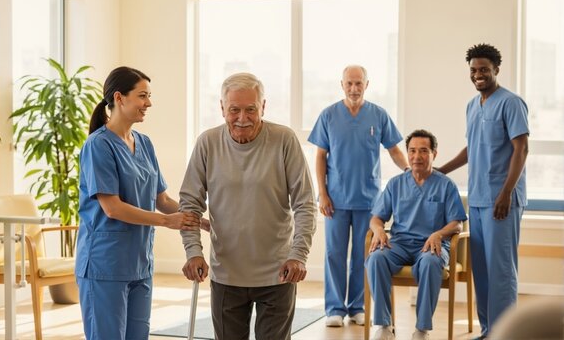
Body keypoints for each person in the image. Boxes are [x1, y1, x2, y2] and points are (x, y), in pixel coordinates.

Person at [179, 72, 317, 340]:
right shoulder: (207, 143)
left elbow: (305, 204)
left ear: (263, 107)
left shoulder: (285, 140)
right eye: (234, 110)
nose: (242, 118)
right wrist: (193, 251)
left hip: (278, 273)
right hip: (226, 274)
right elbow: (190, 205)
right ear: (222, 109)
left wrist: (298, 254)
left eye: (251, 109)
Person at [75, 66, 200, 340]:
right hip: (104, 265)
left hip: (139, 263)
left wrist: (200, 220)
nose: (149, 103)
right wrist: (168, 222)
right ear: (119, 98)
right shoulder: (98, 146)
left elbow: (163, 200)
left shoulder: (144, 143)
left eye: (149, 96)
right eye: (143, 96)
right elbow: (113, 207)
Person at [438, 43, 529, 339]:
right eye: (474, 70)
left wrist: (506, 193)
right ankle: (489, 329)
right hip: (477, 199)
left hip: (501, 201)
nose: (478, 75)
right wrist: (441, 171)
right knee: (483, 270)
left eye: (484, 70)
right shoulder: (471, 106)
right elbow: (472, 148)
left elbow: (522, 148)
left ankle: (506, 333)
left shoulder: (511, 103)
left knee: (501, 270)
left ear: (496, 70)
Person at [308, 65, 409, 327]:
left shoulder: (378, 115)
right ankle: (334, 308)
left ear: (367, 84)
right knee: (335, 254)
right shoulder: (329, 115)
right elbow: (320, 156)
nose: (354, 88)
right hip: (336, 200)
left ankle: (357, 307)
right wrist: (323, 193)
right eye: (349, 83)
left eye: (359, 83)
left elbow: (394, 150)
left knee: (364, 255)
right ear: (341, 85)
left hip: (369, 200)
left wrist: (410, 170)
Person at [366, 129, 468, 340]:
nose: (416, 156)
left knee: (431, 263)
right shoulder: (396, 184)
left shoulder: (445, 185)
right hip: (400, 245)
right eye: (412, 151)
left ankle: (422, 330)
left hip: (432, 246)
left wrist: (439, 233)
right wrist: (378, 230)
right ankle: (384, 326)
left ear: (434, 154)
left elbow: (457, 224)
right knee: (375, 258)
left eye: (423, 151)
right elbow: (377, 218)